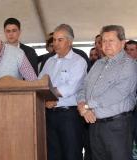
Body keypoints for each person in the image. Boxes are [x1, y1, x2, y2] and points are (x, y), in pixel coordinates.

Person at [77, 25, 137, 160]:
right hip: (94, 124)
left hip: (116, 126)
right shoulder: (98, 64)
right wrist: (82, 105)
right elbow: (83, 87)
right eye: (104, 41)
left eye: (111, 40)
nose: (107, 44)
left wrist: (88, 105)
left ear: (122, 42)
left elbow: (119, 92)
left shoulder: (128, 64)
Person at [38, 24, 87, 160]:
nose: (56, 43)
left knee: (71, 155)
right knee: (52, 156)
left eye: (60, 40)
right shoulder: (48, 61)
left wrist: (49, 95)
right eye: (54, 40)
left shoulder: (78, 62)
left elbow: (69, 88)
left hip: (68, 116)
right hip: (48, 115)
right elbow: (39, 84)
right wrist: (45, 99)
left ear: (70, 41)